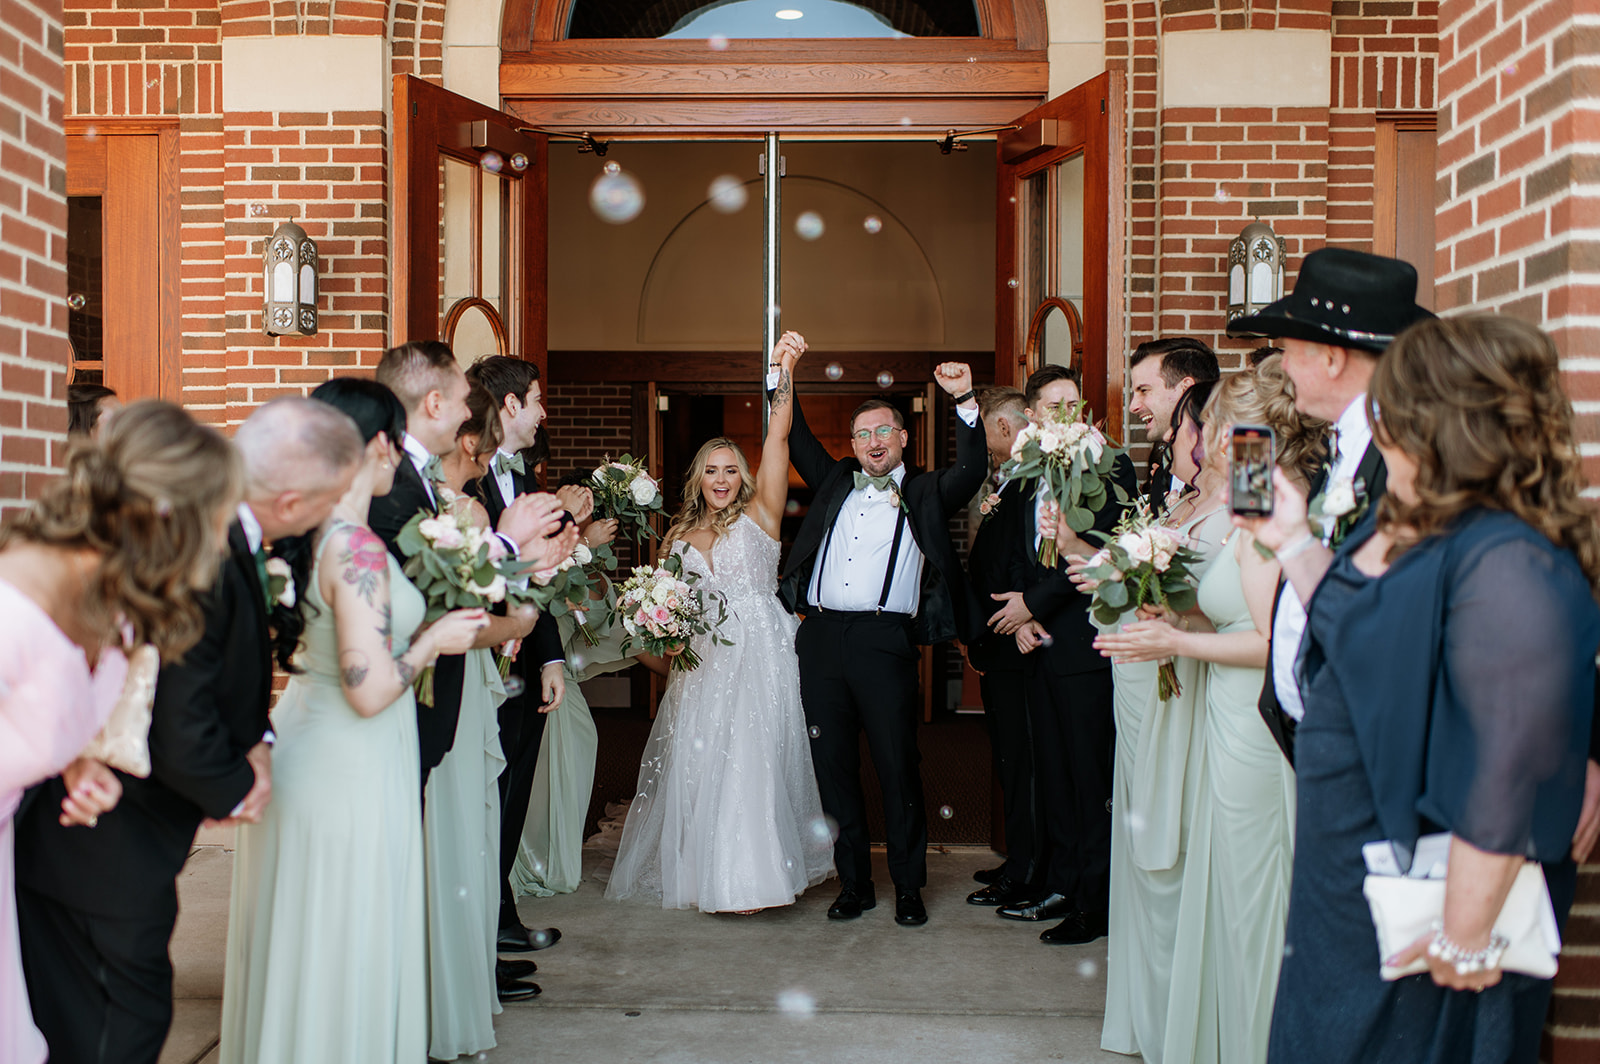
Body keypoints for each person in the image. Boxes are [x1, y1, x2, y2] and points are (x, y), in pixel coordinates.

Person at [1229, 314, 1600, 1064]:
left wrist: (1461, 940)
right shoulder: (1431, 533)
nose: (1378, 429)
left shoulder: (1505, 560)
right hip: (1356, 886)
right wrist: (1294, 540)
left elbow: (1509, 755)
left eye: (1391, 410)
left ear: (1438, 426)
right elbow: (1362, 637)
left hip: (1426, 905)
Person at [16, 398, 361, 1064]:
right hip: (95, 843)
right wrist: (230, 788)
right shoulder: (113, 571)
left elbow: (132, 692)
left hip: (89, 825)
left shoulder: (135, 567)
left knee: (90, 1024)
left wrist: (76, 759)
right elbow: (175, 711)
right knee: (120, 1025)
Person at [219, 378, 490, 1063]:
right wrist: (433, 641)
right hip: (351, 758)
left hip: (312, 739)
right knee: (348, 930)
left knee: (307, 935)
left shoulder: (311, 536)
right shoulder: (359, 549)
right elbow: (369, 689)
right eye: (397, 439)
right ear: (377, 444)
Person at [1095, 364, 1323, 1064]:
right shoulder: (1255, 495)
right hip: (1221, 717)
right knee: (1225, 900)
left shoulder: (1270, 503)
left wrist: (1174, 638)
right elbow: (1236, 596)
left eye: (1219, 421)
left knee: (1251, 904)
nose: (1207, 435)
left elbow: (1273, 640)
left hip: (1251, 727)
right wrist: (1181, 607)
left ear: (1243, 432)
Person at [607, 332, 834, 913]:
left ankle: (752, 879)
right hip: (703, 660)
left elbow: (778, 435)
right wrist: (657, 638)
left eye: (731, 468)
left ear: (743, 476)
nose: (722, 479)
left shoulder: (762, 514)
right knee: (706, 760)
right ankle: (710, 871)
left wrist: (783, 371)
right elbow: (666, 604)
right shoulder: (679, 536)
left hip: (758, 651)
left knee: (753, 760)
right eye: (712, 470)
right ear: (698, 478)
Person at [778, 352, 985, 928]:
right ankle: (855, 884)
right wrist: (782, 373)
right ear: (853, 440)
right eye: (862, 432)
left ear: (901, 437)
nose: (872, 440)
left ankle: (909, 886)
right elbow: (795, 439)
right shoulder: (834, 480)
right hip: (818, 636)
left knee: (898, 766)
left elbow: (970, 473)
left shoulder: (924, 491)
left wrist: (965, 401)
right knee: (833, 766)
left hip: (882, 639)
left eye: (882, 431)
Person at [1231, 248, 1428, 766]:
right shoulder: (1342, 448)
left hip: (1373, 742)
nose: (1282, 367)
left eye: (1289, 350)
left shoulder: (1405, 455)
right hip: (1323, 736)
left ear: (1332, 358)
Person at [1088, 376, 1223, 1058]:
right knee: (1145, 840)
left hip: (1187, 684)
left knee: (1174, 839)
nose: (1167, 441)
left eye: (1179, 431)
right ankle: (1148, 1011)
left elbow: (1212, 603)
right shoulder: (1181, 499)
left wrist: (1168, 617)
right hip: (1146, 679)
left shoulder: (1237, 509)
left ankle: (1182, 1012)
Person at [369, 342, 567, 797]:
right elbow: (423, 603)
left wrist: (525, 564)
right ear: (436, 404)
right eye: (464, 399)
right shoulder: (395, 488)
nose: (471, 412)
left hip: (440, 703)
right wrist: (508, 549)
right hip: (408, 703)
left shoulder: (419, 483)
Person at [991, 365, 1138, 946]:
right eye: (1055, 405)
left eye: (1075, 404)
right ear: (1032, 415)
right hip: (1042, 647)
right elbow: (1018, 551)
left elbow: (1102, 551)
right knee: (1051, 774)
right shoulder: (1026, 471)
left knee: (1088, 778)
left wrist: (1035, 606)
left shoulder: (1112, 464)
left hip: (1085, 642)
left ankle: (1095, 901)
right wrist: (1021, 619)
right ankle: (1060, 882)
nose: (1067, 414)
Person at [426, 381, 543, 1037]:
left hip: (480, 669)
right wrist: (520, 603)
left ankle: (475, 955)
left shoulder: (474, 500)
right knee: (464, 817)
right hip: (457, 668)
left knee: (481, 814)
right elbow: (471, 606)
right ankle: (465, 958)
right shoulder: (444, 512)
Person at [461, 354, 570, 958]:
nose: (542, 411)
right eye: (536, 399)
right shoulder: (465, 480)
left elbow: (540, 577)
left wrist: (550, 657)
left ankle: (499, 915)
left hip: (524, 665)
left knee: (514, 792)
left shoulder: (524, 475)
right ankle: (474, 928)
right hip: (478, 658)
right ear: (509, 406)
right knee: (481, 793)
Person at [512, 473, 627, 899]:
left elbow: (595, 619)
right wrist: (585, 548)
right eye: (582, 507)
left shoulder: (588, 555)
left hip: (561, 668)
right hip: (533, 663)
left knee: (578, 746)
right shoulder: (551, 543)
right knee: (541, 765)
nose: (589, 515)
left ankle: (553, 853)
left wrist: (594, 560)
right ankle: (529, 856)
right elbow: (542, 590)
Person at [962, 386, 1044, 906]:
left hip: (1020, 641)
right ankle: (1018, 857)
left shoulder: (1033, 481)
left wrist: (1022, 614)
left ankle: (1029, 868)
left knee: (1025, 760)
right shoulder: (1008, 479)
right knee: (1011, 761)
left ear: (1004, 428)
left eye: (987, 431)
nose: (985, 445)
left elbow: (1024, 558)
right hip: (998, 640)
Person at [1127, 338, 1220, 515]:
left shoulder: (1226, 471)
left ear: (1186, 389)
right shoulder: (1163, 468)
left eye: (1144, 390)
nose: (1133, 406)